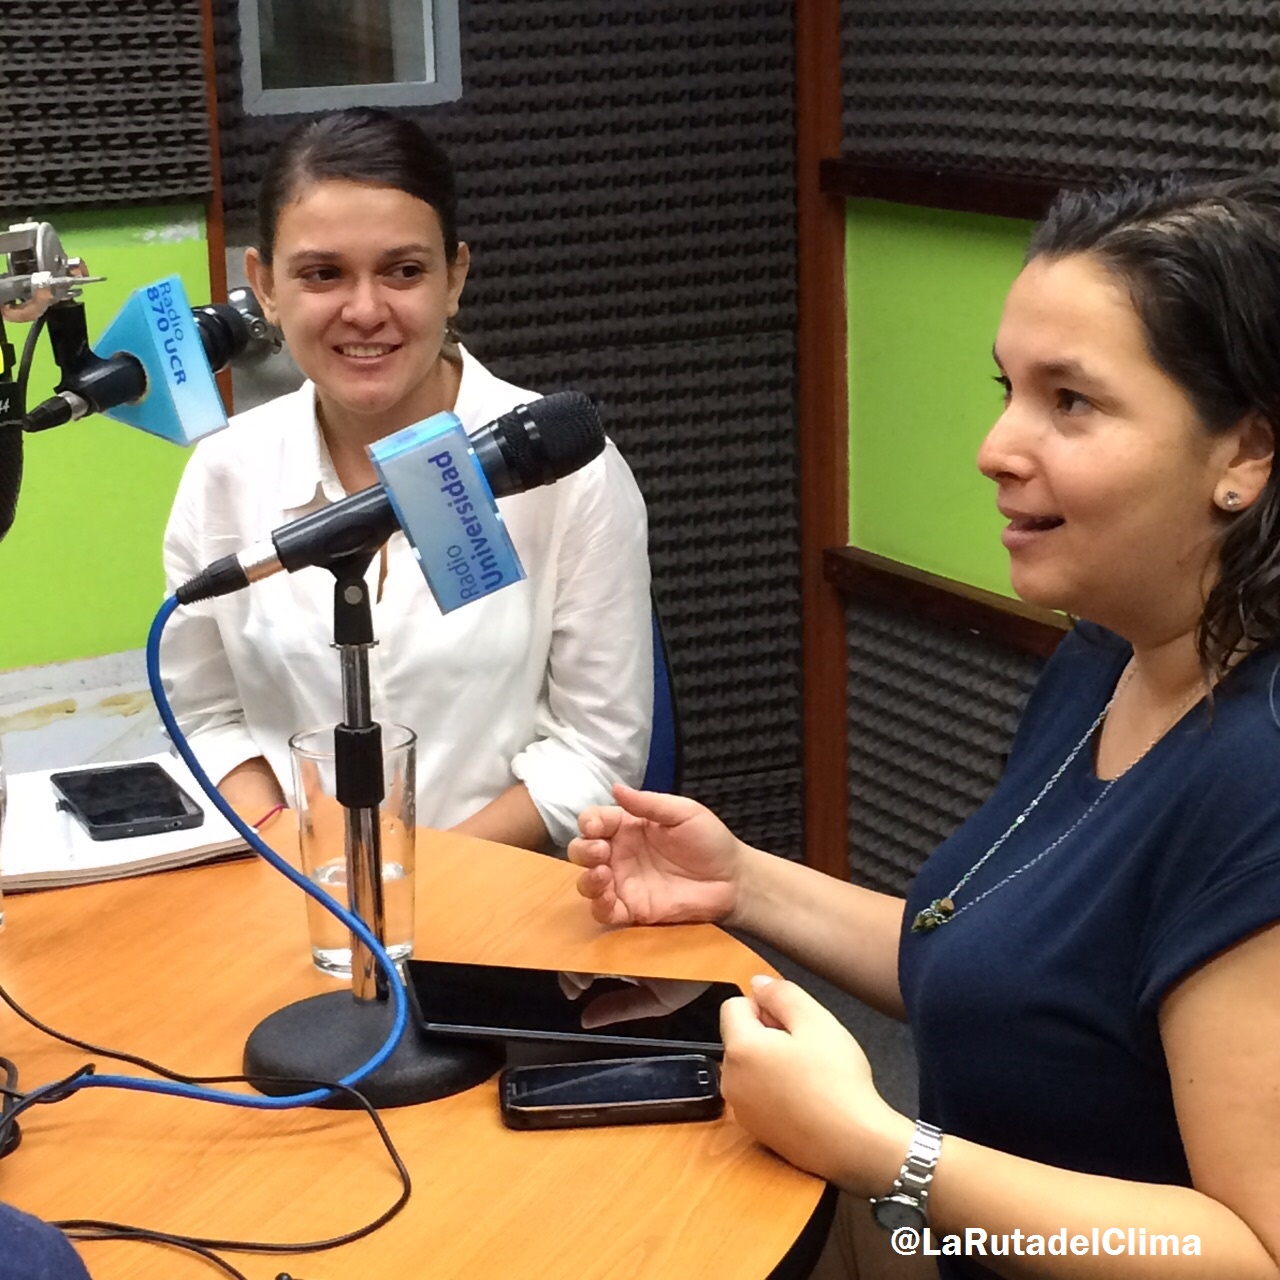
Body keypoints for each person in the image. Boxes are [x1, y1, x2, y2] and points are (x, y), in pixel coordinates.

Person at [570, 172, 1280, 1279]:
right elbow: (996, 962)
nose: (995, 445)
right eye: (1006, 387)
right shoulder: (1107, 654)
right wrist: (743, 882)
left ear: (1242, 454)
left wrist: (878, 1148)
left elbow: (1250, 1252)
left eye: (1069, 401)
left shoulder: (1258, 776)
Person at [162, 108, 652, 851]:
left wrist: (409, 882)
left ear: (454, 276)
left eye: (403, 271)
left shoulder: (563, 470)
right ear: (262, 286)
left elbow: (597, 752)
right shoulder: (226, 473)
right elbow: (204, 717)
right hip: (294, 898)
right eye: (323, 273)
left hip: (505, 912)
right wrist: (301, 861)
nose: (365, 311)